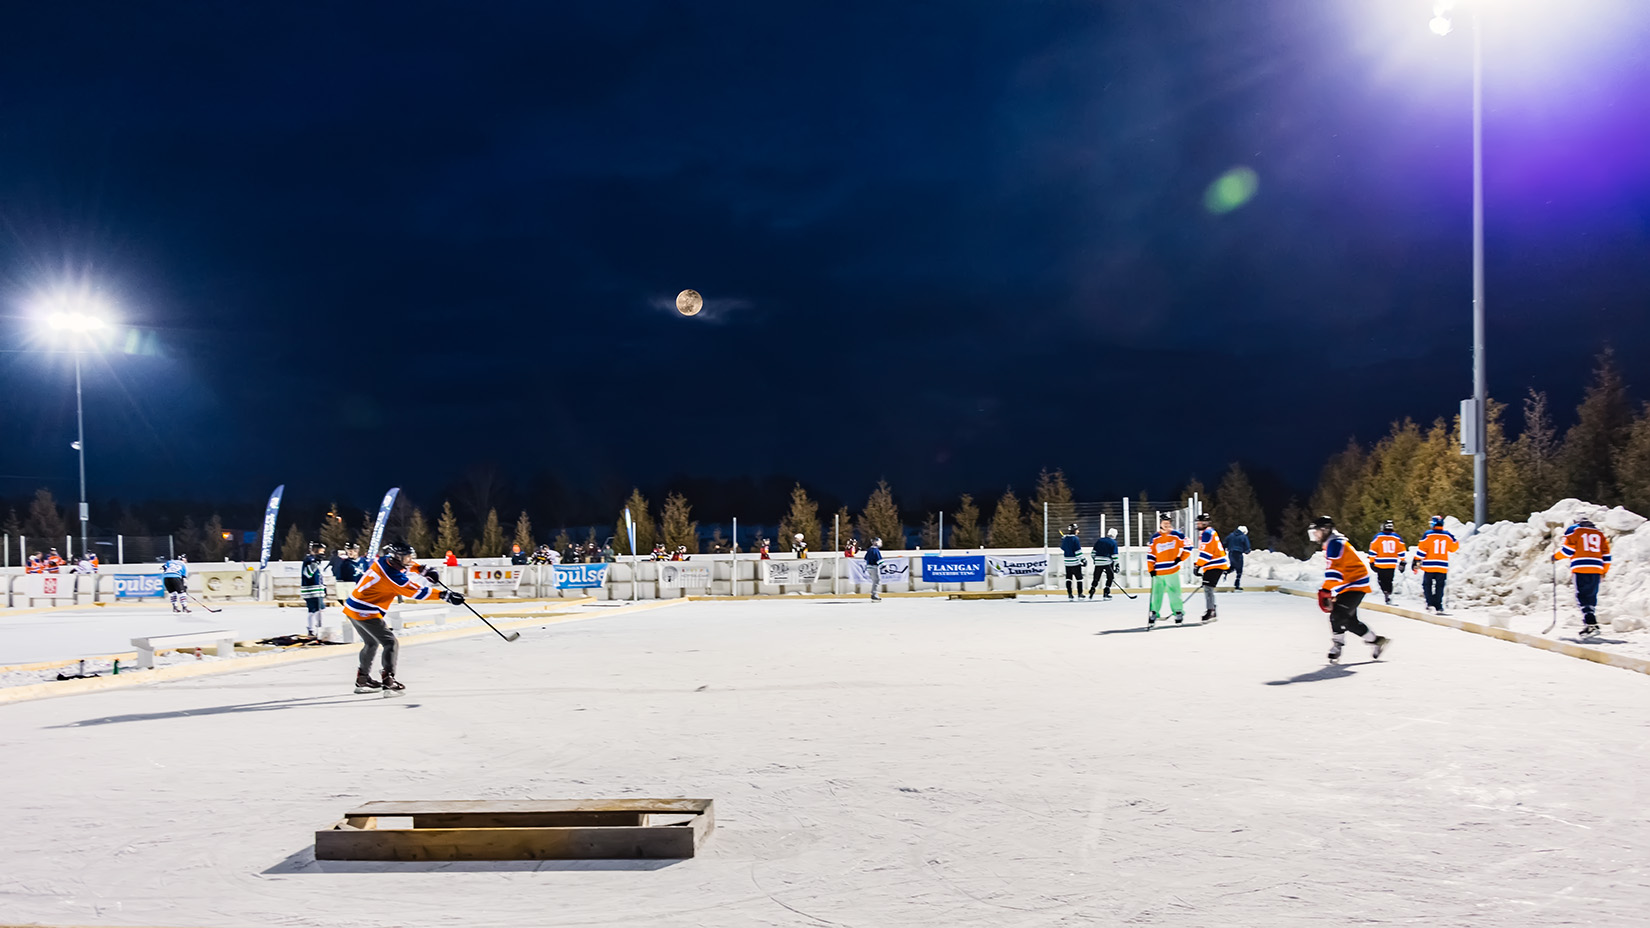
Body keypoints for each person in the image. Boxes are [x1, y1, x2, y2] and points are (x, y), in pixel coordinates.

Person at [343, 541, 465, 694]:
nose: (409, 559)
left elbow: (405, 566)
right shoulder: (392, 576)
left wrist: (420, 569)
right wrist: (443, 595)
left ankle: (363, 679)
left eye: (410, 557)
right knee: (390, 643)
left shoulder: (384, 560)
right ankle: (388, 679)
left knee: (371, 643)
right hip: (365, 611)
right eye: (406, 557)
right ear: (397, 557)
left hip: (353, 607)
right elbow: (415, 591)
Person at [1310, 515, 1389, 663]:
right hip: (1348, 585)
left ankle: (1337, 646)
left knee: (1338, 615)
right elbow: (1338, 571)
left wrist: (1326, 591)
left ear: (1325, 530)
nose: (1315, 535)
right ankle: (1377, 641)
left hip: (1356, 584)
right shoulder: (1332, 543)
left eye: (1316, 531)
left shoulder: (1335, 544)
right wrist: (1330, 590)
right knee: (1350, 622)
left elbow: (1334, 571)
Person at [1553, 518, 1611, 636]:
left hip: (1581, 567)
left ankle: (1590, 623)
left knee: (1582, 595)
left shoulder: (1575, 531)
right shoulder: (1600, 534)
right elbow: (1607, 556)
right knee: (1591, 595)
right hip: (1596, 568)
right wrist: (1604, 571)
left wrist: (1555, 557)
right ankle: (1590, 621)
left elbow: (1568, 551)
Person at [1145, 516, 1189, 627]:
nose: (1166, 525)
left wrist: (1180, 558)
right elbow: (1151, 554)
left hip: (1172, 570)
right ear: (1160, 524)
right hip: (1158, 572)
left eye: (1168, 523)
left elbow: (1188, 545)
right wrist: (1151, 569)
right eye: (1164, 523)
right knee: (1156, 594)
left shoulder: (1176, 535)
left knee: (1174, 592)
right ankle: (1154, 612)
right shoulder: (1155, 537)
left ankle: (1178, 612)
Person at [1413, 516, 1459, 614]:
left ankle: (1430, 604)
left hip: (1429, 565)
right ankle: (1438, 605)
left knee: (1427, 585)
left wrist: (1416, 563)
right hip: (1442, 566)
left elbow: (1421, 551)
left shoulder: (1428, 535)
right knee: (1440, 586)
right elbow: (1454, 547)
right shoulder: (1448, 535)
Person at [1191, 513, 1228, 622]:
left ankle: (1211, 611)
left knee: (1208, 588)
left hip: (1215, 565)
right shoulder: (1210, 532)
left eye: (1199, 522)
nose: (1197, 524)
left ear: (1205, 523)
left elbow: (1206, 553)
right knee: (1208, 588)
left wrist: (1198, 565)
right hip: (1216, 565)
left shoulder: (1207, 534)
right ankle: (1212, 609)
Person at [1366, 520, 1408, 605]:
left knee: (1381, 580)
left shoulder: (1378, 537)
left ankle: (1386, 593)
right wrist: (1402, 560)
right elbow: (1401, 550)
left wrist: (1371, 561)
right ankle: (1389, 594)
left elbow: (1373, 550)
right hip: (1391, 563)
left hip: (1380, 563)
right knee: (1389, 580)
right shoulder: (1397, 537)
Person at [300, 542, 329, 635]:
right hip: (312, 590)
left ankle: (312, 629)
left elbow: (319, 576)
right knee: (318, 610)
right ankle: (317, 629)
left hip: (316, 589)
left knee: (314, 610)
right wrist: (315, 563)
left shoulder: (314, 560)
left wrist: (323, 587)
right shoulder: (310, 559)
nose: (323, 553)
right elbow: (308, 574)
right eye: (321, 551)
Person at [1086, 528, 1120, 600]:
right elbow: (1114, 556)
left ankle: (1092, 589)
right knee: (1110, 577)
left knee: (1096, 578)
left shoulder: (1099, 541)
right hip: (1107, 562)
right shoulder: (1113, 542)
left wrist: (1096, 560)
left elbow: (1093, 553)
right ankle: (1106, 592)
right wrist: (1116, 564)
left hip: (1098, 562)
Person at [1059, 523, 1084, 601]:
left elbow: (1062, 548)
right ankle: (1080, 593)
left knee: (1068, 578)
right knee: (1079, 578)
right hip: (1075, 562)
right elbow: (1078, 551)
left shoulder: (1065, 539)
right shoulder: (1075, 539)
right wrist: (1083, 559)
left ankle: (1070, 594)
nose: (1078, 531)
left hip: (1067, 561)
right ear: (1075, 530)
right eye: (1077, 530)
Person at [1224, 525, 1252, 591]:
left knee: (1233, 566)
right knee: (1239, 569)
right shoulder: (1243, 537)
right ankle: (1237, 585)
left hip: (1230, 553)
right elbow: (1247, 546)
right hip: (1238, 554)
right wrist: (1247, 550)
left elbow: (1224, 543)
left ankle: (1225, 571)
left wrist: (1223, 549)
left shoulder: (1231, 535)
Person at [865, 537, 883, 601]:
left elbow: (865, 558)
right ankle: (874, 594)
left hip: (869, 567)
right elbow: (879, 559)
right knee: (876, 581)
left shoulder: (869, 549)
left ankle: (874, 594)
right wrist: (883, 565)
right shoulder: (875, 550)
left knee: (875, 581)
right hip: (873, 567)